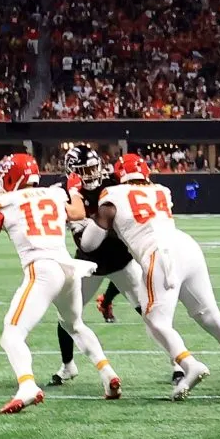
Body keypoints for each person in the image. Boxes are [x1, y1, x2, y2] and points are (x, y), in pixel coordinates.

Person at [79, 153, 220, 400]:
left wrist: (87, 222)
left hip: (159, 253)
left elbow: (89, 244)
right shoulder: (161, 190)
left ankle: (190, 365)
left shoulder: (112, 195)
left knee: (155, 321)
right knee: (211, 315)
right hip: (186, 245)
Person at [0, 154, 121, 413]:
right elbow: (78, 213)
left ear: (11, 176)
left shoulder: (4, 201)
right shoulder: (54, 194)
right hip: (68, 269)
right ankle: (108, 375)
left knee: (12, 334)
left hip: (42, 270)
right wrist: (73, 190)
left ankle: (27, 386)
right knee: (74, 325)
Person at [49, 145, 148, 387]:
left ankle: (176, 363)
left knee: (149, 311)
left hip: (120, 260)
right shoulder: (64, 191)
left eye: (94, 167)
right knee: (66, 316)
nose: (92, 173)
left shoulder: (114, 183)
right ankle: (67, 366)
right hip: (87, 264)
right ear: (73, 171)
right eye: (85, 169)